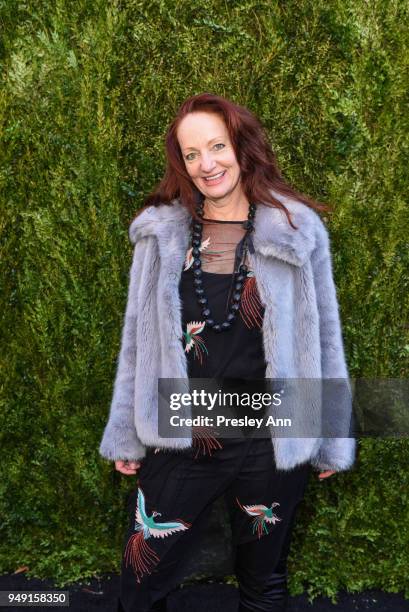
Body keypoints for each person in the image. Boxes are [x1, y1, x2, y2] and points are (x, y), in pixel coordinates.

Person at [99, 93, 356, 612]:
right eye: (192, 153)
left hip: (274, 431)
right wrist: (126, 429)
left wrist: (330, 434)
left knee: (264, 583)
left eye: (216, 146)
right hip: (184, 429)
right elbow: (137, 342)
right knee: (142, 578)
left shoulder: (296, 229)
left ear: (241, 147)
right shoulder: (161, 234)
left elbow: (324, 335)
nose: (206, 163)